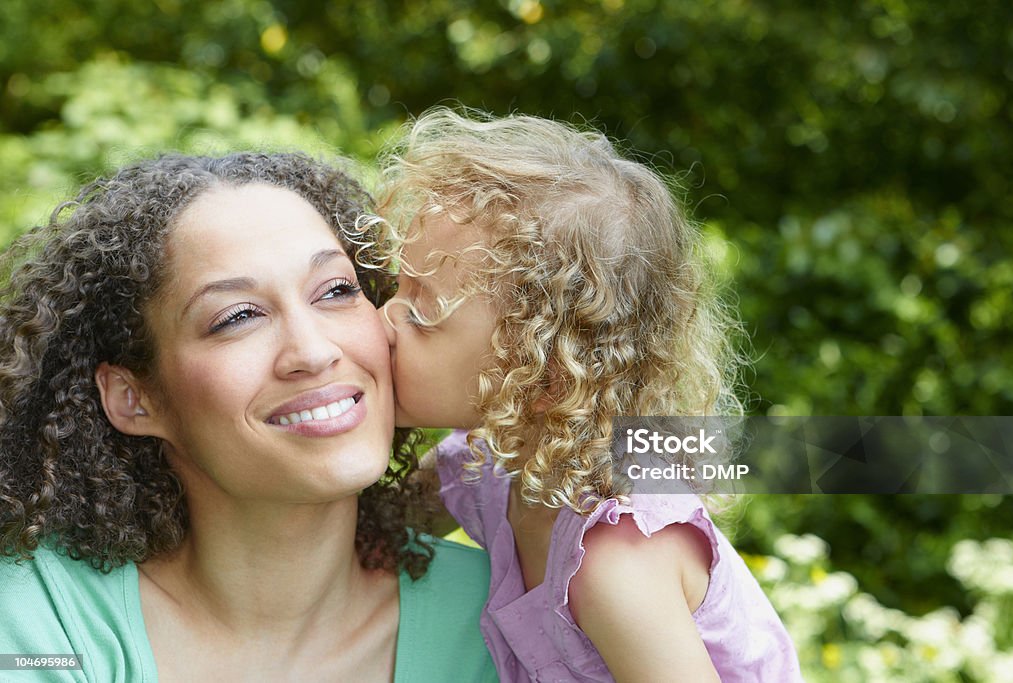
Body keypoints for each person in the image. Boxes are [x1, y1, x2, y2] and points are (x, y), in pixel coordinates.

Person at [0, 152, 498, 682]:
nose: (312, 351)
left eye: (336, 290)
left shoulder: (506, 616)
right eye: (237, 317)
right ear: (133, 397)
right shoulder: (41, 624)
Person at [375, 109, 803, 682]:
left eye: (421, 314)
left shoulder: (614, 562)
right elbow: (368, 529)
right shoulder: (487, 464)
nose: (380, 322)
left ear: (543, 377)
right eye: (394, 289)